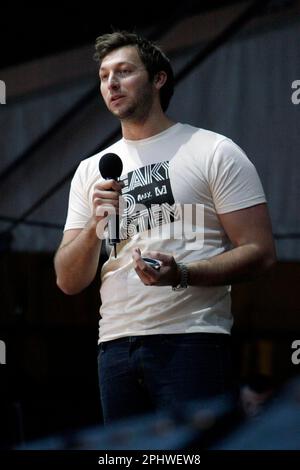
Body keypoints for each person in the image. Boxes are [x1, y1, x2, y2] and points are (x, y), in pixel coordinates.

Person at [54, 31, 276, 424]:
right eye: (104, 76)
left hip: (193, 339)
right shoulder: (92, 170)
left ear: (159, 79)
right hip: (115, 348)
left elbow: (260, 252)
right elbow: (68, 281)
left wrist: (184, 273)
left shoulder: (212, 150)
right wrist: (93, 226)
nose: (112, 84)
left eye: (124, 71)